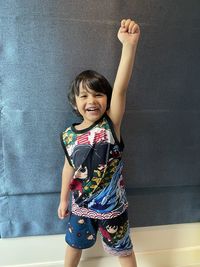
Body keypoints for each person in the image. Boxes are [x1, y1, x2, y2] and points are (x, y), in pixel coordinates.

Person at [58, 18, 140, 267]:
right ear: (75, 103)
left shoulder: (110, 124)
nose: (91, 100)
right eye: (84, 95)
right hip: (80, 207)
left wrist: (129, 45)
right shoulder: (68, 135)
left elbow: (121, 89)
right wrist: (63, 200)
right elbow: (68, 168)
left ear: (106, 99)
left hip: (113, 207)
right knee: (73, 246)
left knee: (123, 250)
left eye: (98, 94)